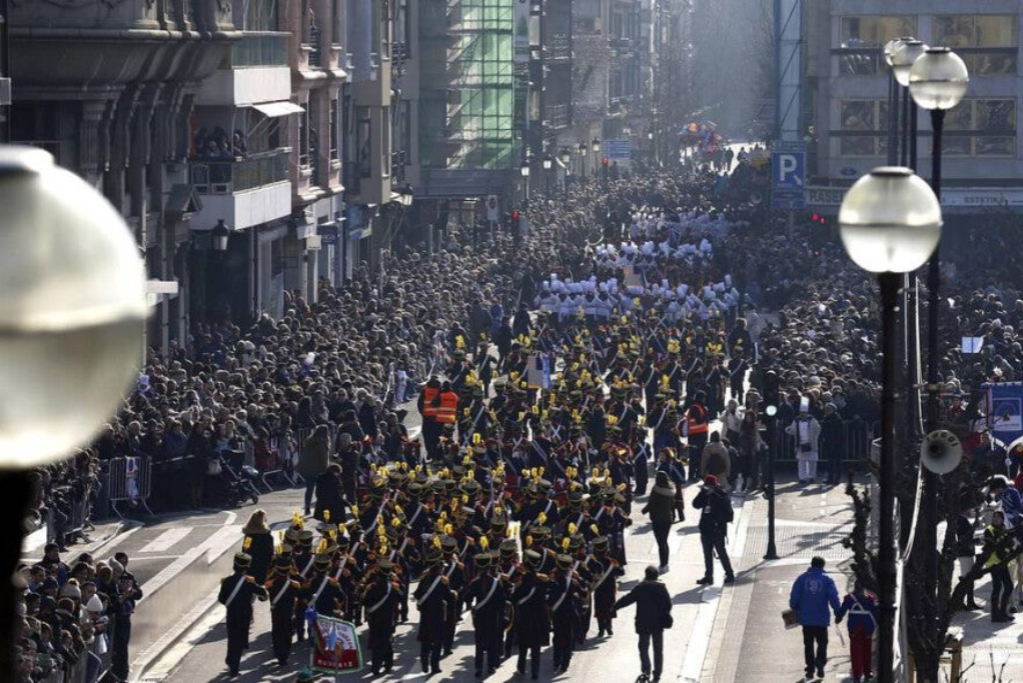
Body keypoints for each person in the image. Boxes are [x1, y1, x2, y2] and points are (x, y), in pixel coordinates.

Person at [614, 565, 673, 683]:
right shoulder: (661, 588)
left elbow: (627, 599)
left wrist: (614, 607)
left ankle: (646, 671)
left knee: (643, 648)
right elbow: (668, 605)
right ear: (656, 576)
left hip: (643, 623)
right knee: (658, 650)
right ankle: (657, 675)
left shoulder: (640, 588)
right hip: (658, 624)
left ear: (646, 575)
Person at [789, 556, 841, 682]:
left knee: (808, 644)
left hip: (806, 618)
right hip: (821, 618)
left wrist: (794, 607)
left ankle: (810, 669)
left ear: (811, 565)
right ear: (822, 566)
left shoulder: (801, 579)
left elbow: (794, 598)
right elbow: (833, 597)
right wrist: (838, 612)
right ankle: (820, 661)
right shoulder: (827, 580)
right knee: (823, 642)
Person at [218, 552, 268, 677]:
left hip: (231, 615)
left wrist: (232, 605)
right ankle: (234, 666)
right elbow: (263, 594)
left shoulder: (227, 581)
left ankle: (231, 661)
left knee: (232, 639)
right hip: (245, 616)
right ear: (247, 566)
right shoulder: (249, 582)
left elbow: (221, 599)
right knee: (239, 640)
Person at [692, 475, 735, 585]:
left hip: (718, 529)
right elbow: (695, 504)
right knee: (707, 554)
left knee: (721, 553)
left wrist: (713, 494)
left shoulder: (721, 494)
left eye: (709, 486)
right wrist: (703, 494)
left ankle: (729, 574)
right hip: (706, 529)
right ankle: (708, 576)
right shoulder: (705, 494)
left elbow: (725, 507)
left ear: (714, 485)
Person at [835, 580, 877, 683]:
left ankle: (857, 676)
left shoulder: (849, 598)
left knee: (856, 652)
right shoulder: (870, 599)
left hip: (855, 628)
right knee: (867, 650)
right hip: (868, 628)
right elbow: (876, 612)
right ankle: (868, 672)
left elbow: (842, 611)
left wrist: (838, 618)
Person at [983, 510, 1016, 622]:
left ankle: (1003, 611)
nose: (995, 519)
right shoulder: (989, 530)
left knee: (1009, 586)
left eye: (998, 517)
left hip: (1003, 562)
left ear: (1002, 518)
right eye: (994, 517)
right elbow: (993, 545)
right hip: (994, 564)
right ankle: (995, 614)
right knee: (997, 588)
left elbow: (1008, 544)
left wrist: (1011, 548)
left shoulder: (1004, 530)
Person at [642, 471, 676, 573]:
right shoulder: (671, 490)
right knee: (664, 542)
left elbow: (651, 503)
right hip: (667, 519)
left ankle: (663, 564)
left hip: (657, 519)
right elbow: (672, 504)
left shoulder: (656, 490)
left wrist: (644, 510)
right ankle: (665, 564)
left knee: (660, 542)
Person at [786, 397, 821, 485]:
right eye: (802, 412)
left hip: (811, 443)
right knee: (801, 462)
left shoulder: (812, 420)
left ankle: (811, 476)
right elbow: (793, 431)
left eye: (804, 412)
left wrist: (814, 438)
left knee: (812, 461)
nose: (803, 414)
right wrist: (787, 429)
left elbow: (818, 429)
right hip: (800, 443)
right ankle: (802, 477)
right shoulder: (796, 420)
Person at [299, 425, 330, 515]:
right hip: (318, 468)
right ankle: (320, 507)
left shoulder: (310, 440)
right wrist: (326, 470)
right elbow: (323, 457)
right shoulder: (322, 442)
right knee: (320, 489)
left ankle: (307, 506)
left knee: (309, 489)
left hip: (308, 468)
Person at [242, 509, 274, 584]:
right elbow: (271, 551)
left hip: (251, 565)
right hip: (263, 564)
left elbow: (245, 550)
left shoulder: (249, 536)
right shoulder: (267, 536)